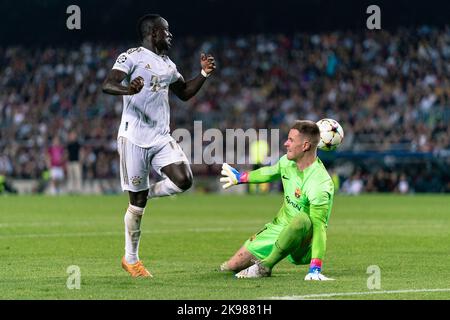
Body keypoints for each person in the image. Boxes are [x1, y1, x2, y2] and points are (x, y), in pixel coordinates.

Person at [102, 13, 216, 278]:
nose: (170, 35)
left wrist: (203, 74)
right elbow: (108, 84)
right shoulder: (131, 57)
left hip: (160, 136)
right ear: (153, 32)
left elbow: (184, 93)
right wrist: (128, 90)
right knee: (137, 207)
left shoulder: (168, 64)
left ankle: (146, 193)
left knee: (184, 180)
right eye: (166, 30)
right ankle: (131, 259)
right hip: (133, 137)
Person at [219, 120, 335, 280]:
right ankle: (243, 265)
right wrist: (240, 177)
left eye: (291, 140)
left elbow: (319, 228)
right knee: (232, 266)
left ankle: (265, 267)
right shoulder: (287, 162)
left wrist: (315, 268)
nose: (285, 143)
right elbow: (269, 172)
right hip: (279, 226)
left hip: (303, 241)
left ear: (305, 146)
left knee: (301, 220)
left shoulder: (320, 183)